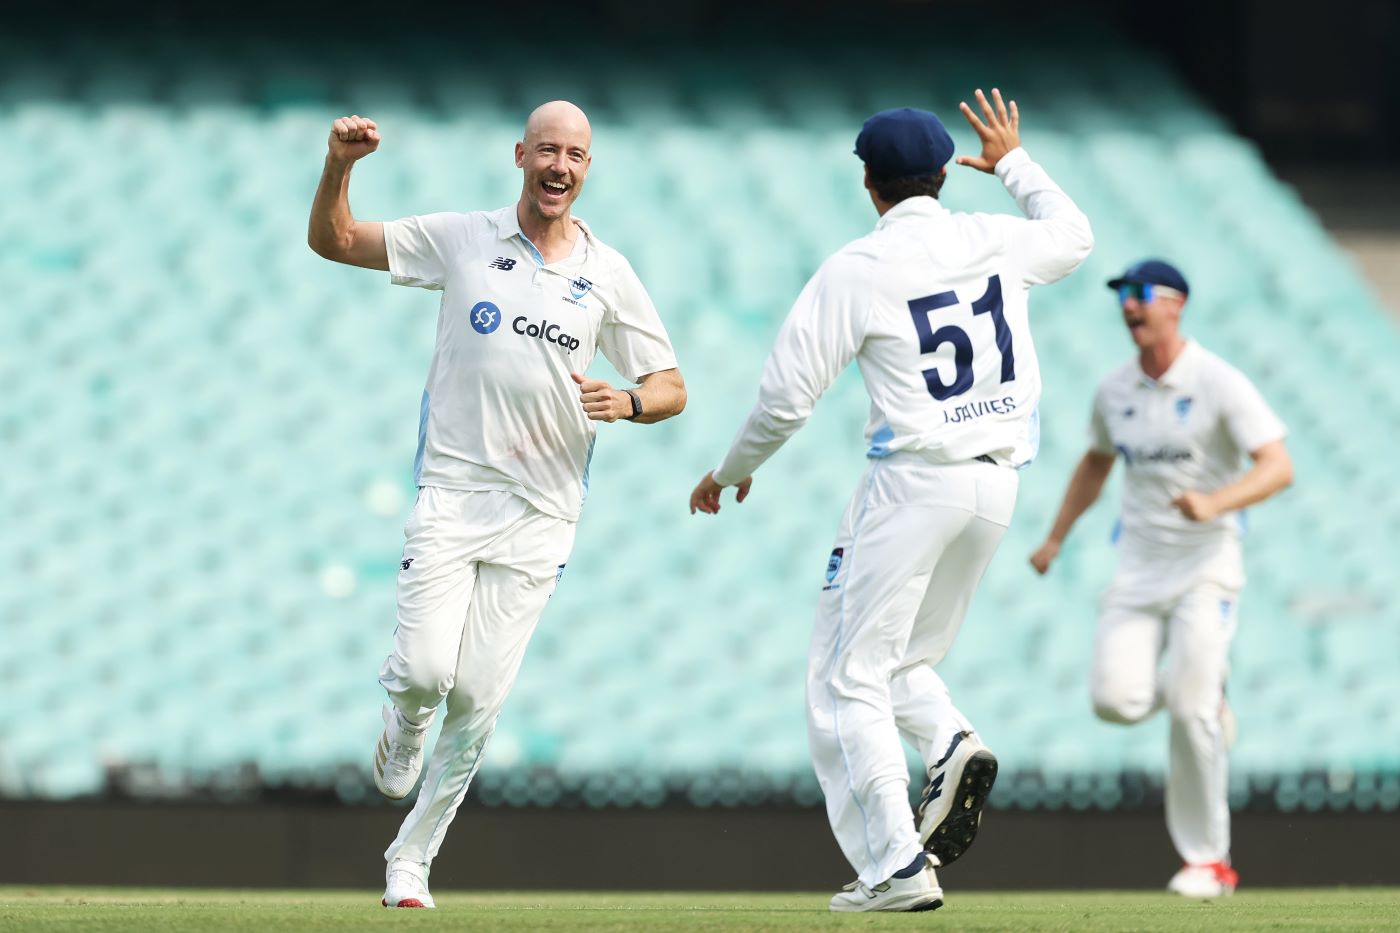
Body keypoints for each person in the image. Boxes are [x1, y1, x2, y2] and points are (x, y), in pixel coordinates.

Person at [689, 90, 1093, 913]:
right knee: (901, 663)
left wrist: (732, 469)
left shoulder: (860, 267)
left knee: (849, 678)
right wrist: (1013, 161)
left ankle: (896, 865)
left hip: (914, 479)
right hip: (997, 484)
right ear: (944, 174)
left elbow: (786, 398)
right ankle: (948, 743)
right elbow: (1076, 238)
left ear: (870, 183)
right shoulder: (992, 236)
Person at [308, 103, 686, 909]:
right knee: (425, 673)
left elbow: (672, 385)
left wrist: (628, 401)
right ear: (520, 154)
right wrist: (340, 166)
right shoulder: (462, 238)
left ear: (588, 169)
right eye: (547, 149)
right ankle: (405, 720)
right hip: (454, 493)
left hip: (543, 514)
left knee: (478, 699)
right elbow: (334, 241)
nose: (560, 165)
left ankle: (411, 860)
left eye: (575, 155)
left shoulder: (607, 272)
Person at [1029, 259, 1293, 898]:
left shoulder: (1218, 382)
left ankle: (1209, 862)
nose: (1128, 306)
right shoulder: (1114, 389)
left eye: (1141, 294)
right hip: (1138, 571)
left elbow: (1277, 467)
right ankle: (1200, 691)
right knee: (1115, 702)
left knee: (1191, 706)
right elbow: (1095, 464)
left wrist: (1217, 502)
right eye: (1122, 295)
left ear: (1176, 304)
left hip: (1207, 567)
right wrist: (1056, 537)